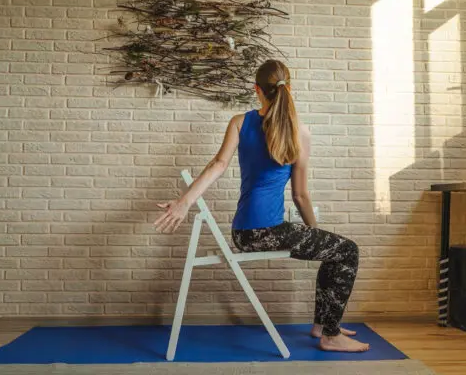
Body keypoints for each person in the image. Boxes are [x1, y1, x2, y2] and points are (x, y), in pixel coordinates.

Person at [154, 59, 369, 352]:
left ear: (257, 90)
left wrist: (184, 203)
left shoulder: (240, 122)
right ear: (288, 88)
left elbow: (218, 165)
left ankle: (323, 325)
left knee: (334, 252)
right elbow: (300, 196)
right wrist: (314, 232)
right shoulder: (300, 133)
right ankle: (330, 336)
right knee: (346, 250)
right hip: (270, 231)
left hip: (243, 232)